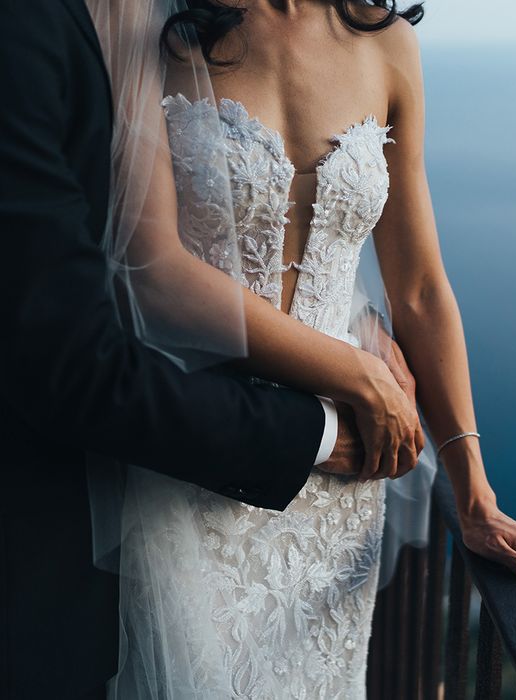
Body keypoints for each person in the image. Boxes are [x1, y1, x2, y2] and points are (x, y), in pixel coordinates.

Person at [0, 1, 421, 698]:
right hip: (202, 454)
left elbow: (421, 286)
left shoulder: (387, 42)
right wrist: (355, 374)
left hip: (343, 494)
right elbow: (146, 282)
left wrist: (475, 491)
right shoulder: (150, 31)